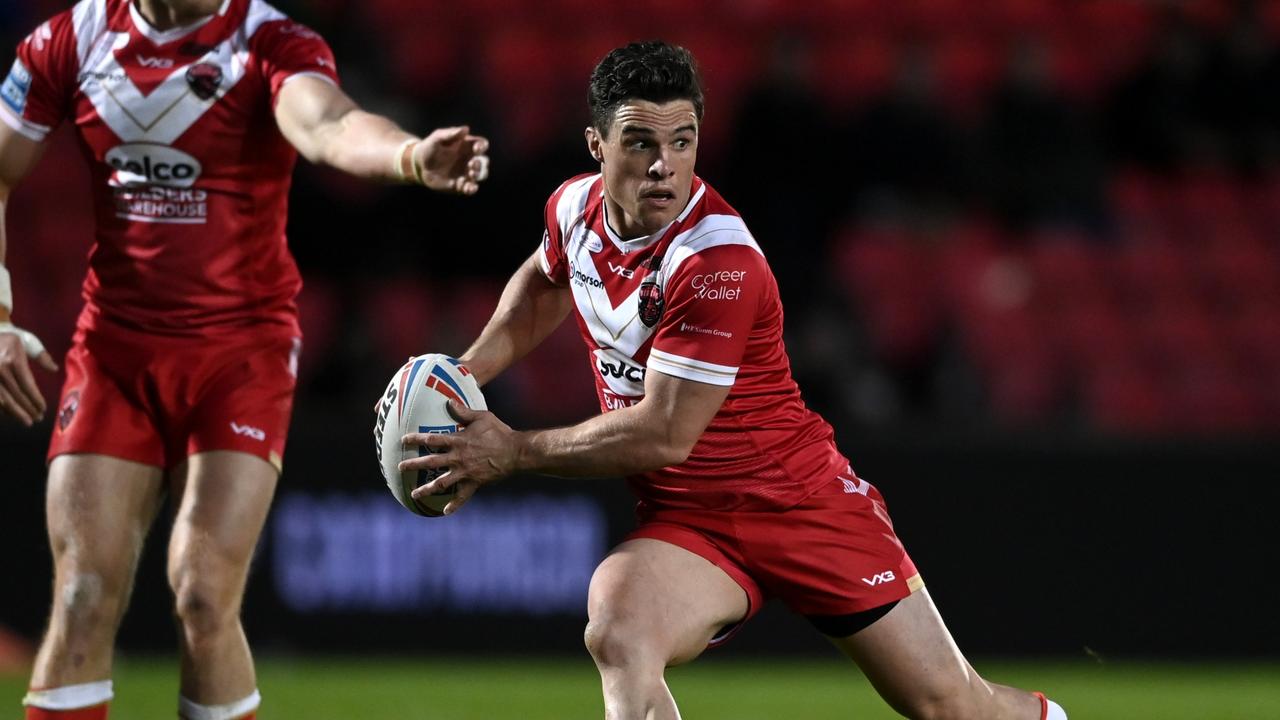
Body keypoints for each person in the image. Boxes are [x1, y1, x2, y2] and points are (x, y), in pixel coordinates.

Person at [399, 41, 1068, 720]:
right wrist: (466, 371)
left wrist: (511, 449)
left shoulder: (717, 262)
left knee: (951, 707)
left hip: (800, 501)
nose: (664, 166)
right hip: (693, 523)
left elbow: (663, 434)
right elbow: (545, 281)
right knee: (618, 631)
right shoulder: (573, 208)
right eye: (639, 143)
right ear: (596, 145)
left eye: (683, 142)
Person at [0, 0, 489, 718]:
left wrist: (408, 156)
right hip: (114, 351)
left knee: (201, 592)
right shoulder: (69, 42)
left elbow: (330, 126)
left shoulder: (265, 41)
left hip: (241, 356)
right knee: (80, 593)